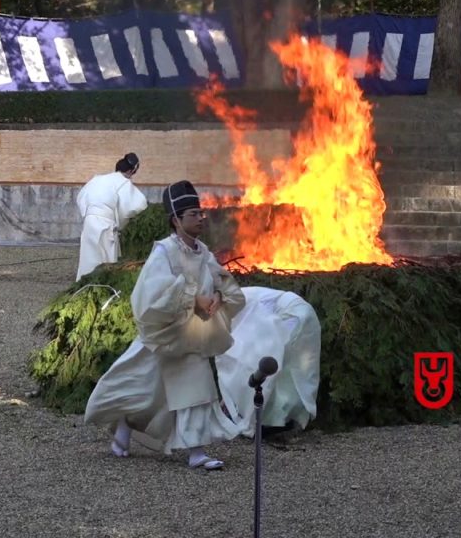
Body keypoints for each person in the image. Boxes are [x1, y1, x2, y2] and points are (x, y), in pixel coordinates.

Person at [83, 180, 246, 470]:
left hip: (193, 334)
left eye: (201, 213)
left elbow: (219, 277)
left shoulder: (201, 250)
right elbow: (150, 294)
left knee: (188, 386)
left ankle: (188, 449)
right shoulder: (164, 252)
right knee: (146, 386)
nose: (200, 219)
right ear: (176, 220)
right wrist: (191, 297)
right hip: (167, 333)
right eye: (193, 214)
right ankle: (132, 432)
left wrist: (219, 296)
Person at [216, 286, 321, 438]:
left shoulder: (233, 303)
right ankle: (278, 421)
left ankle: (257, 420)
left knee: (266, 366)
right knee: (289, 370)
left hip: (292, 316)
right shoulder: (238, 296)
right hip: (304, 313)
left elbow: (242, 346)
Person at [75, 152, 148, 281]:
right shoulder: (123, 182)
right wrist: (120, 223)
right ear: (130, 172)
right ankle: (102, 286)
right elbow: (137, 206)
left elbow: (81, 197)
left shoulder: (97, 179)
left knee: (88, 259)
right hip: (105, 223)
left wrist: (87, 215)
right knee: (105, 261)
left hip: (89, 222)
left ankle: (84, 284)